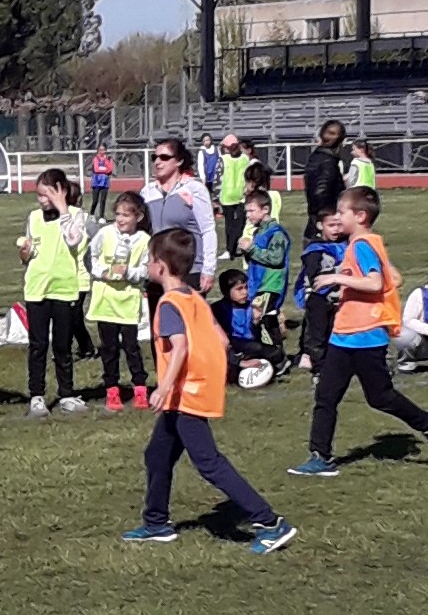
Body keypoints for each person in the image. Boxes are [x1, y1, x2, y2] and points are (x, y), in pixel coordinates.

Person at [122, 228, 297, 554]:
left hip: (185, 394)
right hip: (192, 391)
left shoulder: (169, 304)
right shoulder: (194, 298)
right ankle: (156, 522)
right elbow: (221, 339)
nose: (147, 265)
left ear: (160, 265)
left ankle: (270, 522)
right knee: (157, 454)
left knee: (208, 463)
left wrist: (164, 386)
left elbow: (181, 347)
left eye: (148, 259)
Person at [288, 187, 428, 479]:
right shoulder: (367, 243)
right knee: (326, 395)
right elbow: (394, 278)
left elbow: (376, 283)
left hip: (366, 335)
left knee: (380, 397)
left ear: (360, 216)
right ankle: (320, 456)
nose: (338, 218)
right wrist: (345, 288)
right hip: (344, 334)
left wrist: (337, 277)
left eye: (342, 212)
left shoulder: (362, 244)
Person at [19, 169, 92, 415]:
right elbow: (27, 256)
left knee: (63, 345)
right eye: (38, 195)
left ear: (60, 191)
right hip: (37, 288)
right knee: (38, 345)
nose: (40, 200)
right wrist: (25, 252)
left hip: (64, 288)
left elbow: (73, 240)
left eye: (45, 194)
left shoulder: (76, 216)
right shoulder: (33, 217)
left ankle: (67, 394)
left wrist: (63, 209)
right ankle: (37, 396)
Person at [88, 191, 151, 412]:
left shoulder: (144, 240)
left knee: (132, 347)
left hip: (128, 301)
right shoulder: (105, 234)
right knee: (109, 348)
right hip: (106, 299)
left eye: (126, 215)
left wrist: (130, 273)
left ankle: (140, 388)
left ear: (139, 217)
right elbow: (91, 257)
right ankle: (112, 389)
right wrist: (102, 272)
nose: (121, 219)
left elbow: (145, 269)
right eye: (118, 214)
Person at [141, 137, 216, 297]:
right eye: (155, 157)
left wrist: (208, 269)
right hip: (158, 271)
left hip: (189, 270)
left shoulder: (194, 189)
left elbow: (208, 230)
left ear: (179, 161)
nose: (158, 162)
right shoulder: (147, 192)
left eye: (165, 157)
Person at [292, 206, 346, 374]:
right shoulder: (315, 250)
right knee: (318, 332)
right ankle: (319, 366)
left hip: (339, 297)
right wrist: (340, 271)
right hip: (319, 297)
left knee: (335, 330)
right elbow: (313, 276)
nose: (336, 229)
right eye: (331, 225)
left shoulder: (346, 243)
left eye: (339, 225)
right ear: (320, 226)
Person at [237, 190, 290, 352]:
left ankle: (272, 355)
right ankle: (276, 355)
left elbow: (276, 258)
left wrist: (252, 249)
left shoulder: (276, 233)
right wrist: (244, 250)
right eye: (246, 211)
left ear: (265, 209)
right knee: (268, 319)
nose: (248, 215)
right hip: (258, 283)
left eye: (251, 210)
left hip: (270, 283)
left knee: (258, 319)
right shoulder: (258, 231)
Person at [212, 268, 287, 374]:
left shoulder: (251, 306)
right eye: (239, 289)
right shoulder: (219, 310)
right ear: (226, 291)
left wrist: (256, 322)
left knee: (274, 352)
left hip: (249, 346)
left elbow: (256, 336)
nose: (245, 292)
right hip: (232, 348)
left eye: (246, 287)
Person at [303, 120, 346, 238]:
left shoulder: (316, 157)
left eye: (333, 134)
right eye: (329, 133)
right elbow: (320, 194)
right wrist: (329, 221)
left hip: (317, 223)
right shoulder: (328, 162)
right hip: (323, 227)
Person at [216, 136, 249, 256]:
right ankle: (232, 249)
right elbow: (218, 178)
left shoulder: (243, 159)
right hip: (232, 196)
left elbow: (217, 179)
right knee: (234, 224)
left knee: (237, 224)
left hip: (237, 196)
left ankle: (234, 248)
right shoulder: (225, 159)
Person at [88, 143, 114, 221]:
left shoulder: (109, 159)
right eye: (100, 150)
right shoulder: (95, 159)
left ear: (106, 150)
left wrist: (105, 162)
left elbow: (110, 169)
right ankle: (91, 214)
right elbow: (96, 169)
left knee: (103, 200)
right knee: (95, 200)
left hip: (105, 182)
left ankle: (101, 217)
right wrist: (104, 170)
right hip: (96, 182)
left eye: (103, 150)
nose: (101, 152)